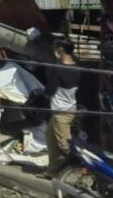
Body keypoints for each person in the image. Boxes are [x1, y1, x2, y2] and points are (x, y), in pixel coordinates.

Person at [43, 38, 80, 178]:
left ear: (61, 50)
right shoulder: (76, 67)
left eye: (56, 49)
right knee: (50, 137)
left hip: (61, 112)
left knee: (65, 146)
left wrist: (44, 94)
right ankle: (52, 170)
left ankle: (79, 170)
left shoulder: (59, 69)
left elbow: (50, 91)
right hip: (68, 108)